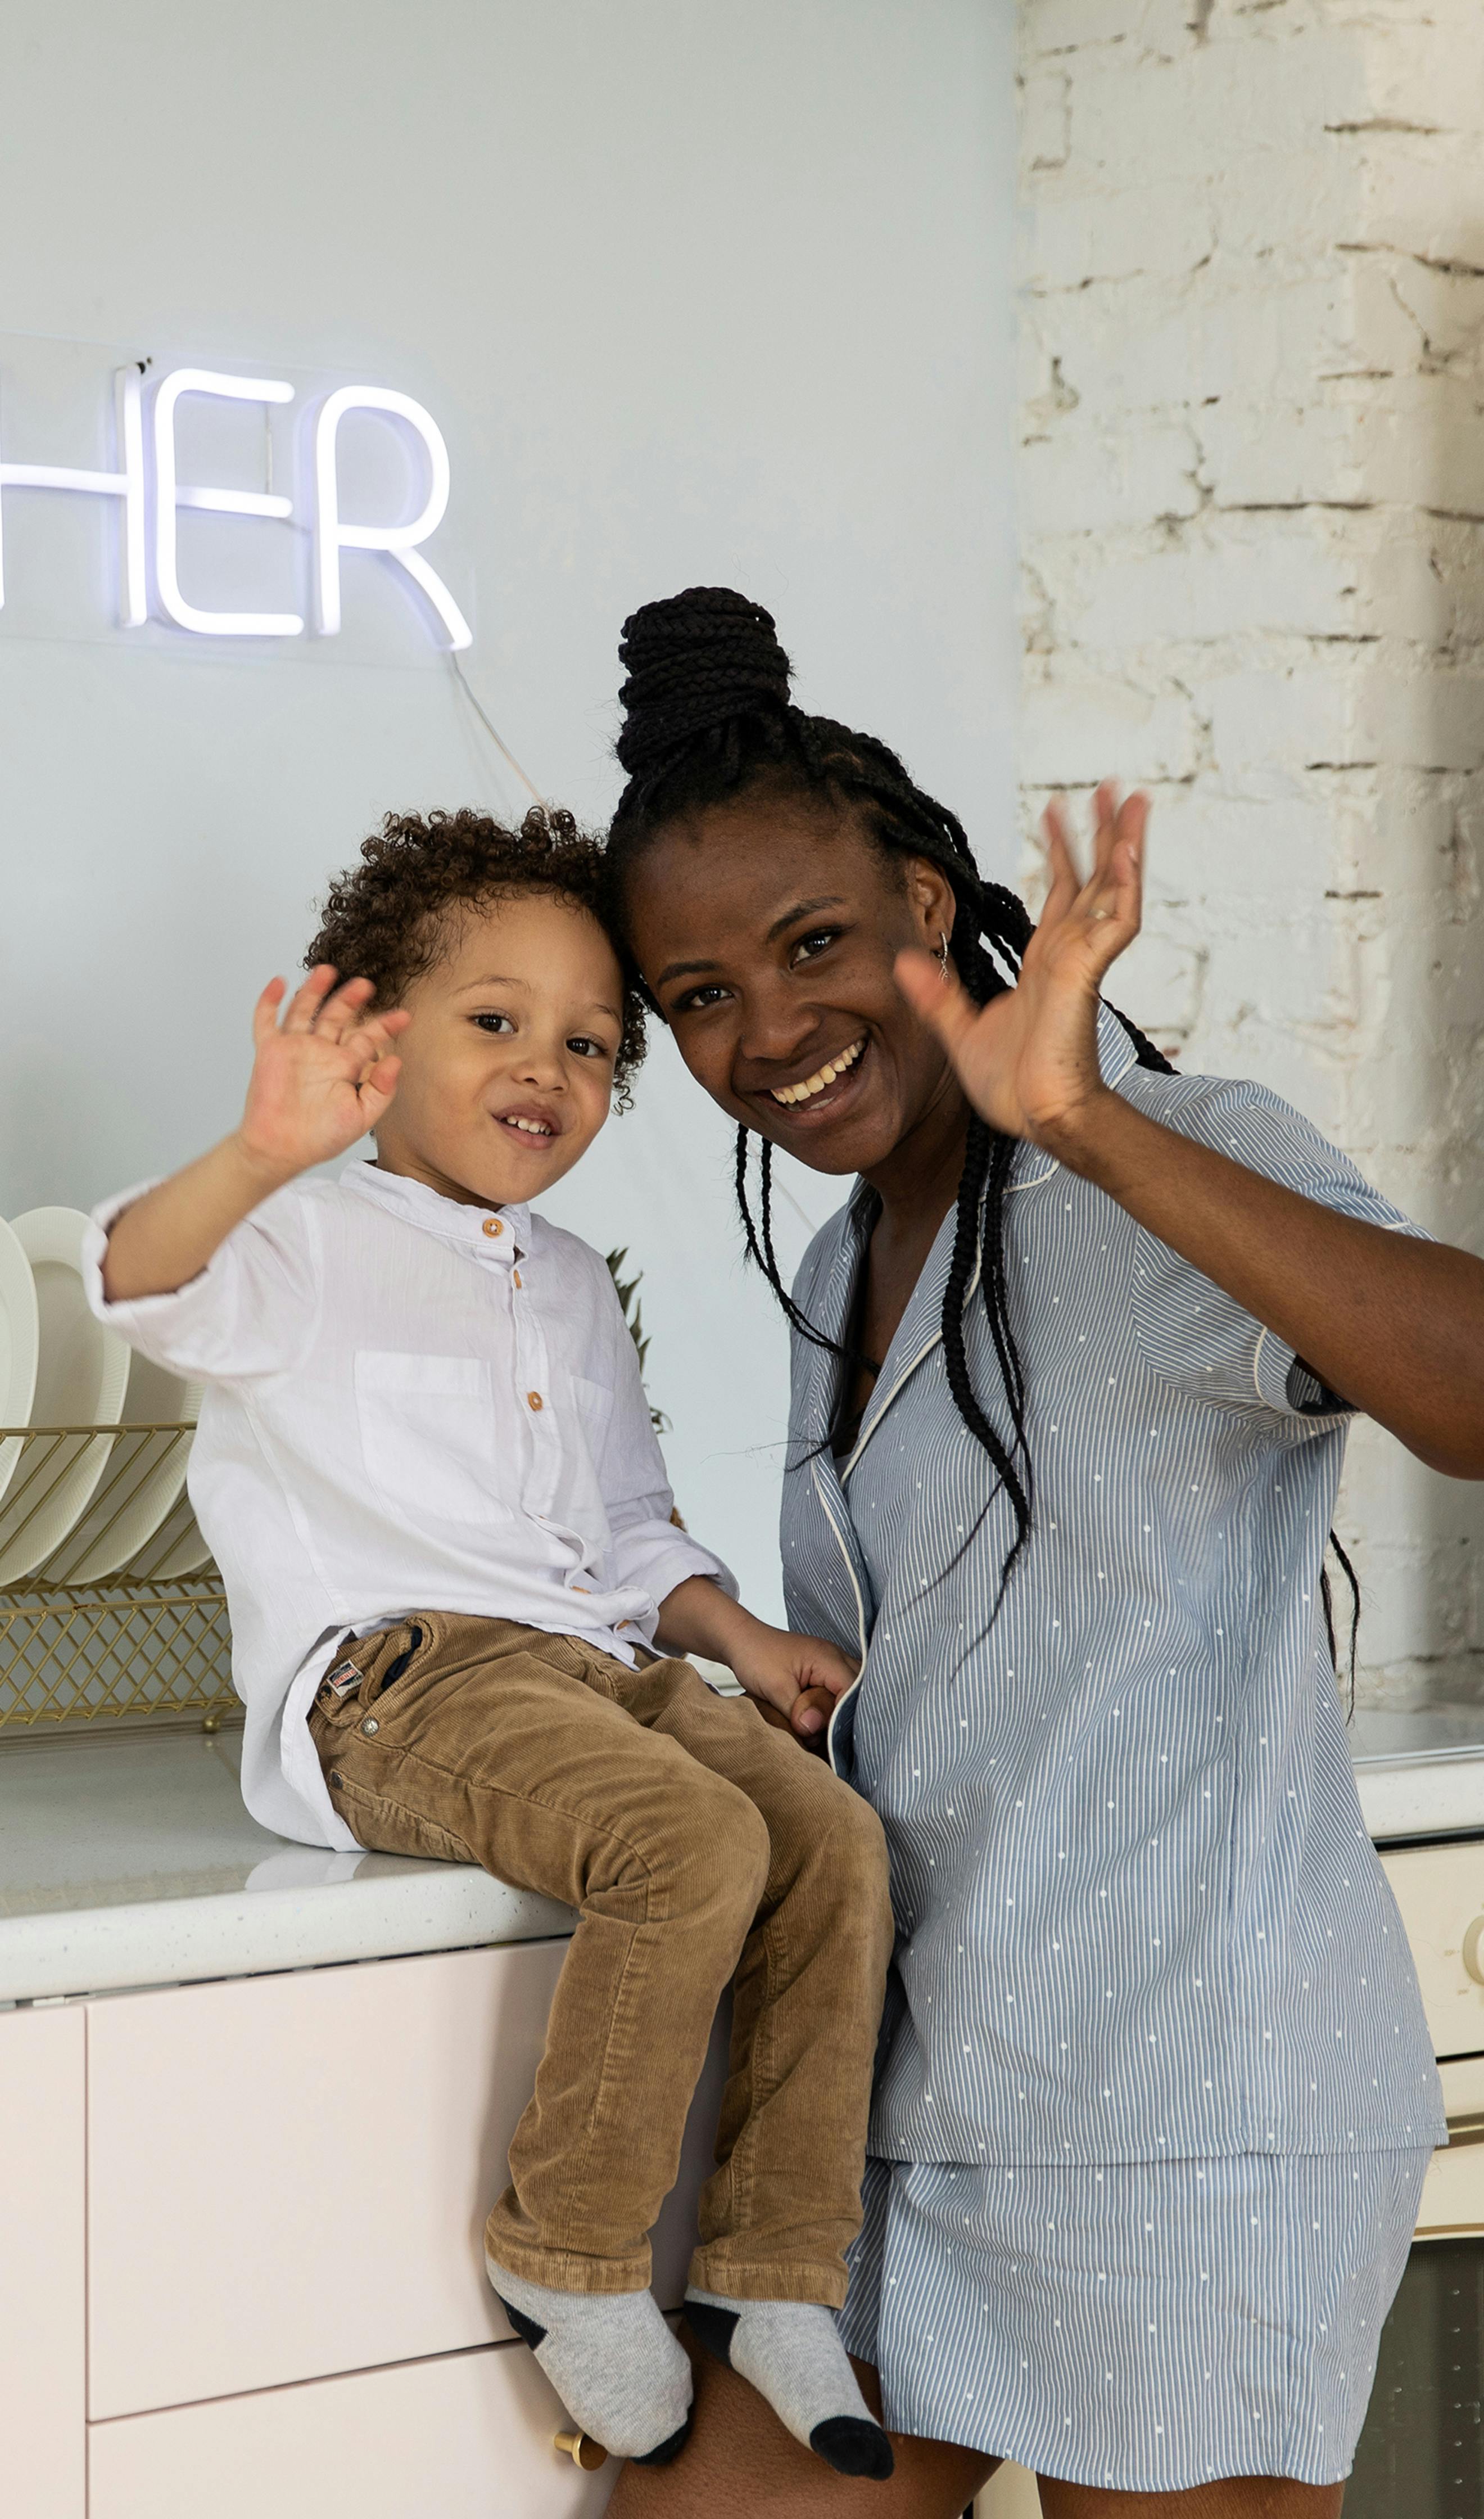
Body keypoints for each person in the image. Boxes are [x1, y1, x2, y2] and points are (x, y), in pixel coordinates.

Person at [600, 588, 1484, 2519]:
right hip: (903, 2121)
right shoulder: (837, 1271)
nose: (769, 1033)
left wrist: (1074, 1115)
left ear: (931, 904)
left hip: (1182, 2122)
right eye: (699, 998)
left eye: (812, 943)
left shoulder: (1167, 1158)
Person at [84, 804, 899, 2479]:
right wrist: (264, 1146)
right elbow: (133, 1283)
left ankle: (774, 2271)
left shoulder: (574, 1281)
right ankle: (571, 2244)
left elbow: (620, 1530)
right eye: (496, 1022)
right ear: (379, 1036)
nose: (551, 1067)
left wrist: (738, 1633)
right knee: (684, 1840)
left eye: (594, 1044)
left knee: (829, 1838)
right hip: (396, 1682)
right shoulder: (298, 1234)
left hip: (590, 1669)